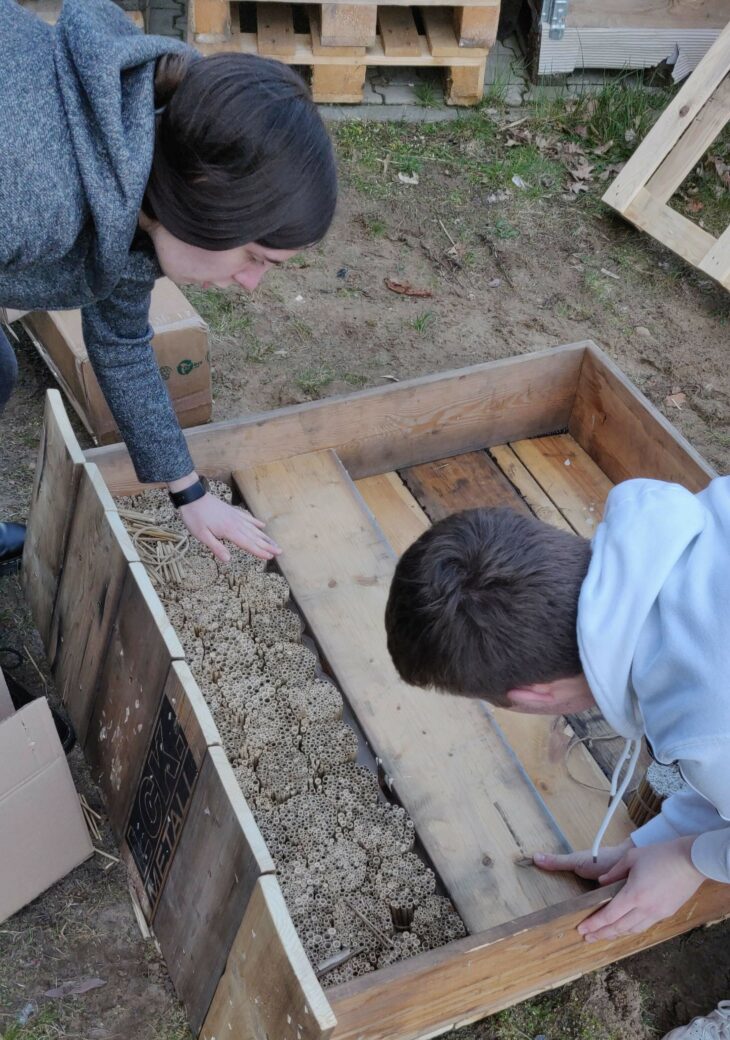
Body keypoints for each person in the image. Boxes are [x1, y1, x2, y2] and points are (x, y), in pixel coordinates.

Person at [0, 0, 337, 568]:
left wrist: (189, 491)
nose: (252, 283)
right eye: (255, 256)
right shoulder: (37, 195)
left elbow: (120, 342)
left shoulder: (146, 169)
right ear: (207, 198)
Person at [385, 476, 730, 947]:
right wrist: (664, 838)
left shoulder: (705, 725)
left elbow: (716, 739)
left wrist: (692, 860)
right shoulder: (690, 526)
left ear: (536, 696)